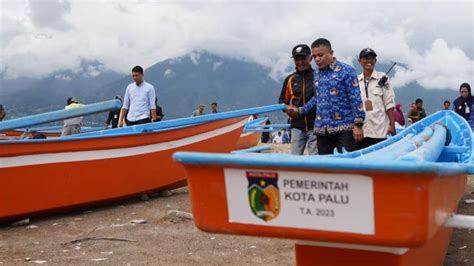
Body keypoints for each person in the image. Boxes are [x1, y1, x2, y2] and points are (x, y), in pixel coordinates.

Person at [286, 38, 365, 154]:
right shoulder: (317, 73)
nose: (317, 59)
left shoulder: (347, 71)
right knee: (325, 166)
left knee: (346, 165)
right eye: (315, 56)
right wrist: (300, 110)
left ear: (331, 53)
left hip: (344, 129)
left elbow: (356, 98)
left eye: (320, 55)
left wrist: (358, 124)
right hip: (322, 130)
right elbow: (317, 98)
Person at [278, 44, 317, 155]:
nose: (300, 62)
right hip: (297, 126)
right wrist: (287, 108)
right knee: (294, 158)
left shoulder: (318, 76)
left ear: (310, 58)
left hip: (315, 125)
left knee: (315, 160)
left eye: (303, 58)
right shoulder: (290, 79)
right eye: (297, 59)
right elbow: (282, 101)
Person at [356, 48, 396, 149]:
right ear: (360, 61)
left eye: (372, 58)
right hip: (362, 131)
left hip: (380, 131)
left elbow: (389, 103)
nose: (369, 61)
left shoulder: (382, 78)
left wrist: (392, 125)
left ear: (375, 61)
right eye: (366, 58)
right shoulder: (355, 80)